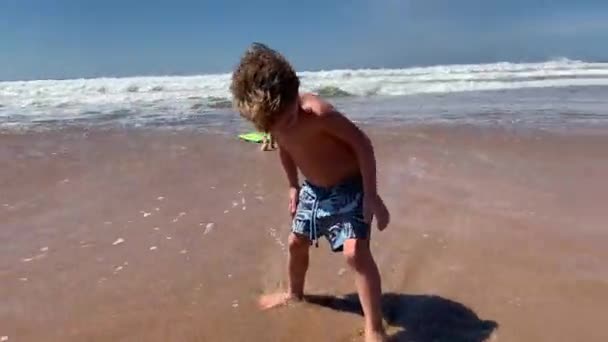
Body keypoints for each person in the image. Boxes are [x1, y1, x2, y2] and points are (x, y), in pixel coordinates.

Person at [230, 43, 391, 342]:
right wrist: (293, 185)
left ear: (295, 93)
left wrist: (371, 194)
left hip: (350, 186)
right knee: (296, 243)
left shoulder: (319, 114)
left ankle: (375, 328)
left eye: (290, 119)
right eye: (276, 127)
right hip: (313, 191)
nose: (286, 127)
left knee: (355, 253)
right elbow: (286, 150)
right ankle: (294, 294)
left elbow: (363, 146)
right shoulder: (274, 123)